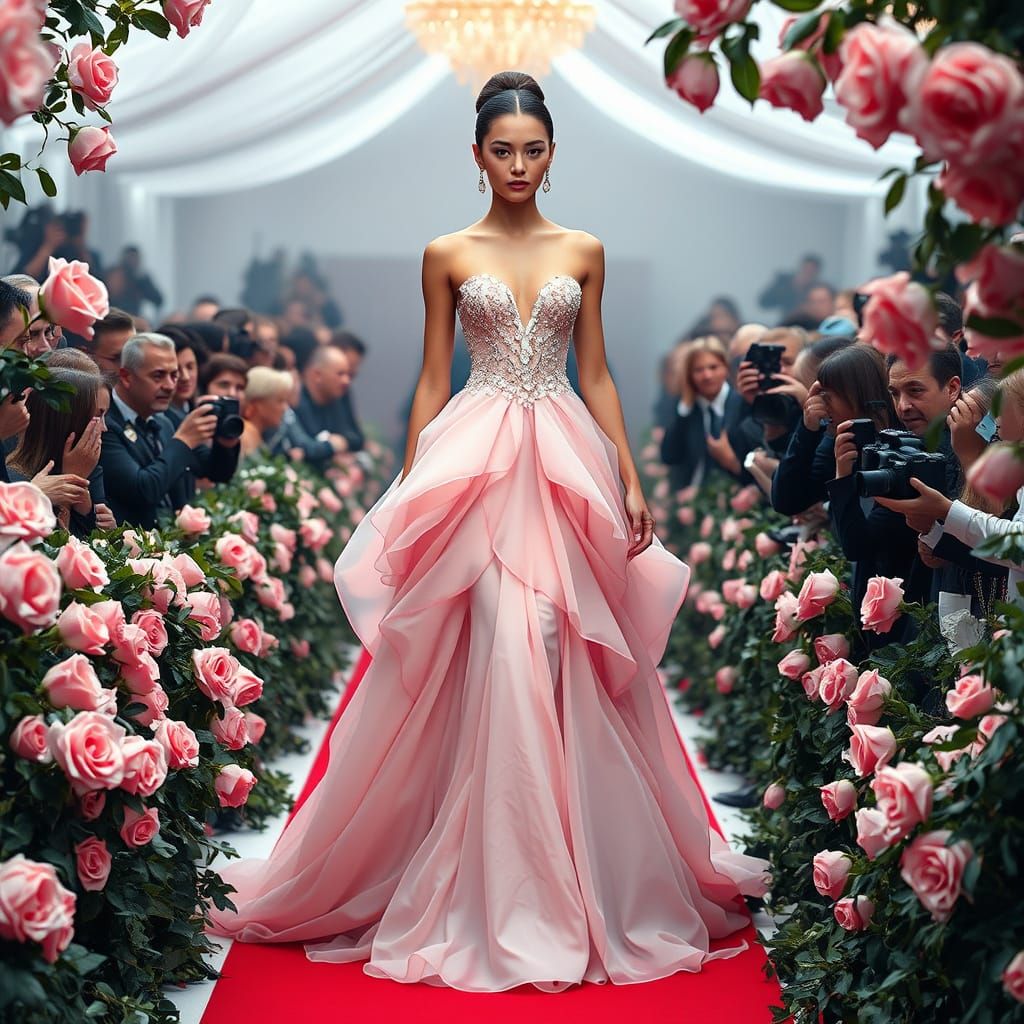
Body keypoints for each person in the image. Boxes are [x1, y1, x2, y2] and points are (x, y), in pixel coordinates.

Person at [209, 69, 768, 992]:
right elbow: (434, 376)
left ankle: (563, 875)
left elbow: (597, 373)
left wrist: (628, 475)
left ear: (552, 154)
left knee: (556, 636)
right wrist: (411, 487)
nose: (518, 165)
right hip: (475, 457)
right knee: (496, 638)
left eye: (533, 150)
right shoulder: (446, 253)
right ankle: (496, 875)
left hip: (563, 458)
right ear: (476, 155)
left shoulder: (583, 249)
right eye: (502, 150)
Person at [99, 333, 240, 528]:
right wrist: (183, 441)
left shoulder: (164, 421)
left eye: (173, 375)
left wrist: (225, 443)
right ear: (126, 377)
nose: (170, 385)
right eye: (158, 376)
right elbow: (142, 491)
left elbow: (216, 472)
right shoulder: (104, 423)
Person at [6, 364, 108, 537]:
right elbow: (55, 547)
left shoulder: (88, 471)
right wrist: (36, 495)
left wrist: (87, 513)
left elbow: (87, 546)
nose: (104, 427)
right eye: (97, 416)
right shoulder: (13, 483)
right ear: (69, 422)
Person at [660, 336, 748, 491]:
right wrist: (685, 407)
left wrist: (730, 460)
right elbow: (669, 456)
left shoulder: (742, 404)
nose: (707, 376)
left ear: (726, 368)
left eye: (713, 367)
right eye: (698, 370)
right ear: (689, 375)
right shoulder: (687, 408)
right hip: (693, 496)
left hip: (737, 492)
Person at [239, 366, 295, 461]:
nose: (285, 408)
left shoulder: (256, 436)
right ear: (257, 403)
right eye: (280, 401)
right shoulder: (243, 438)